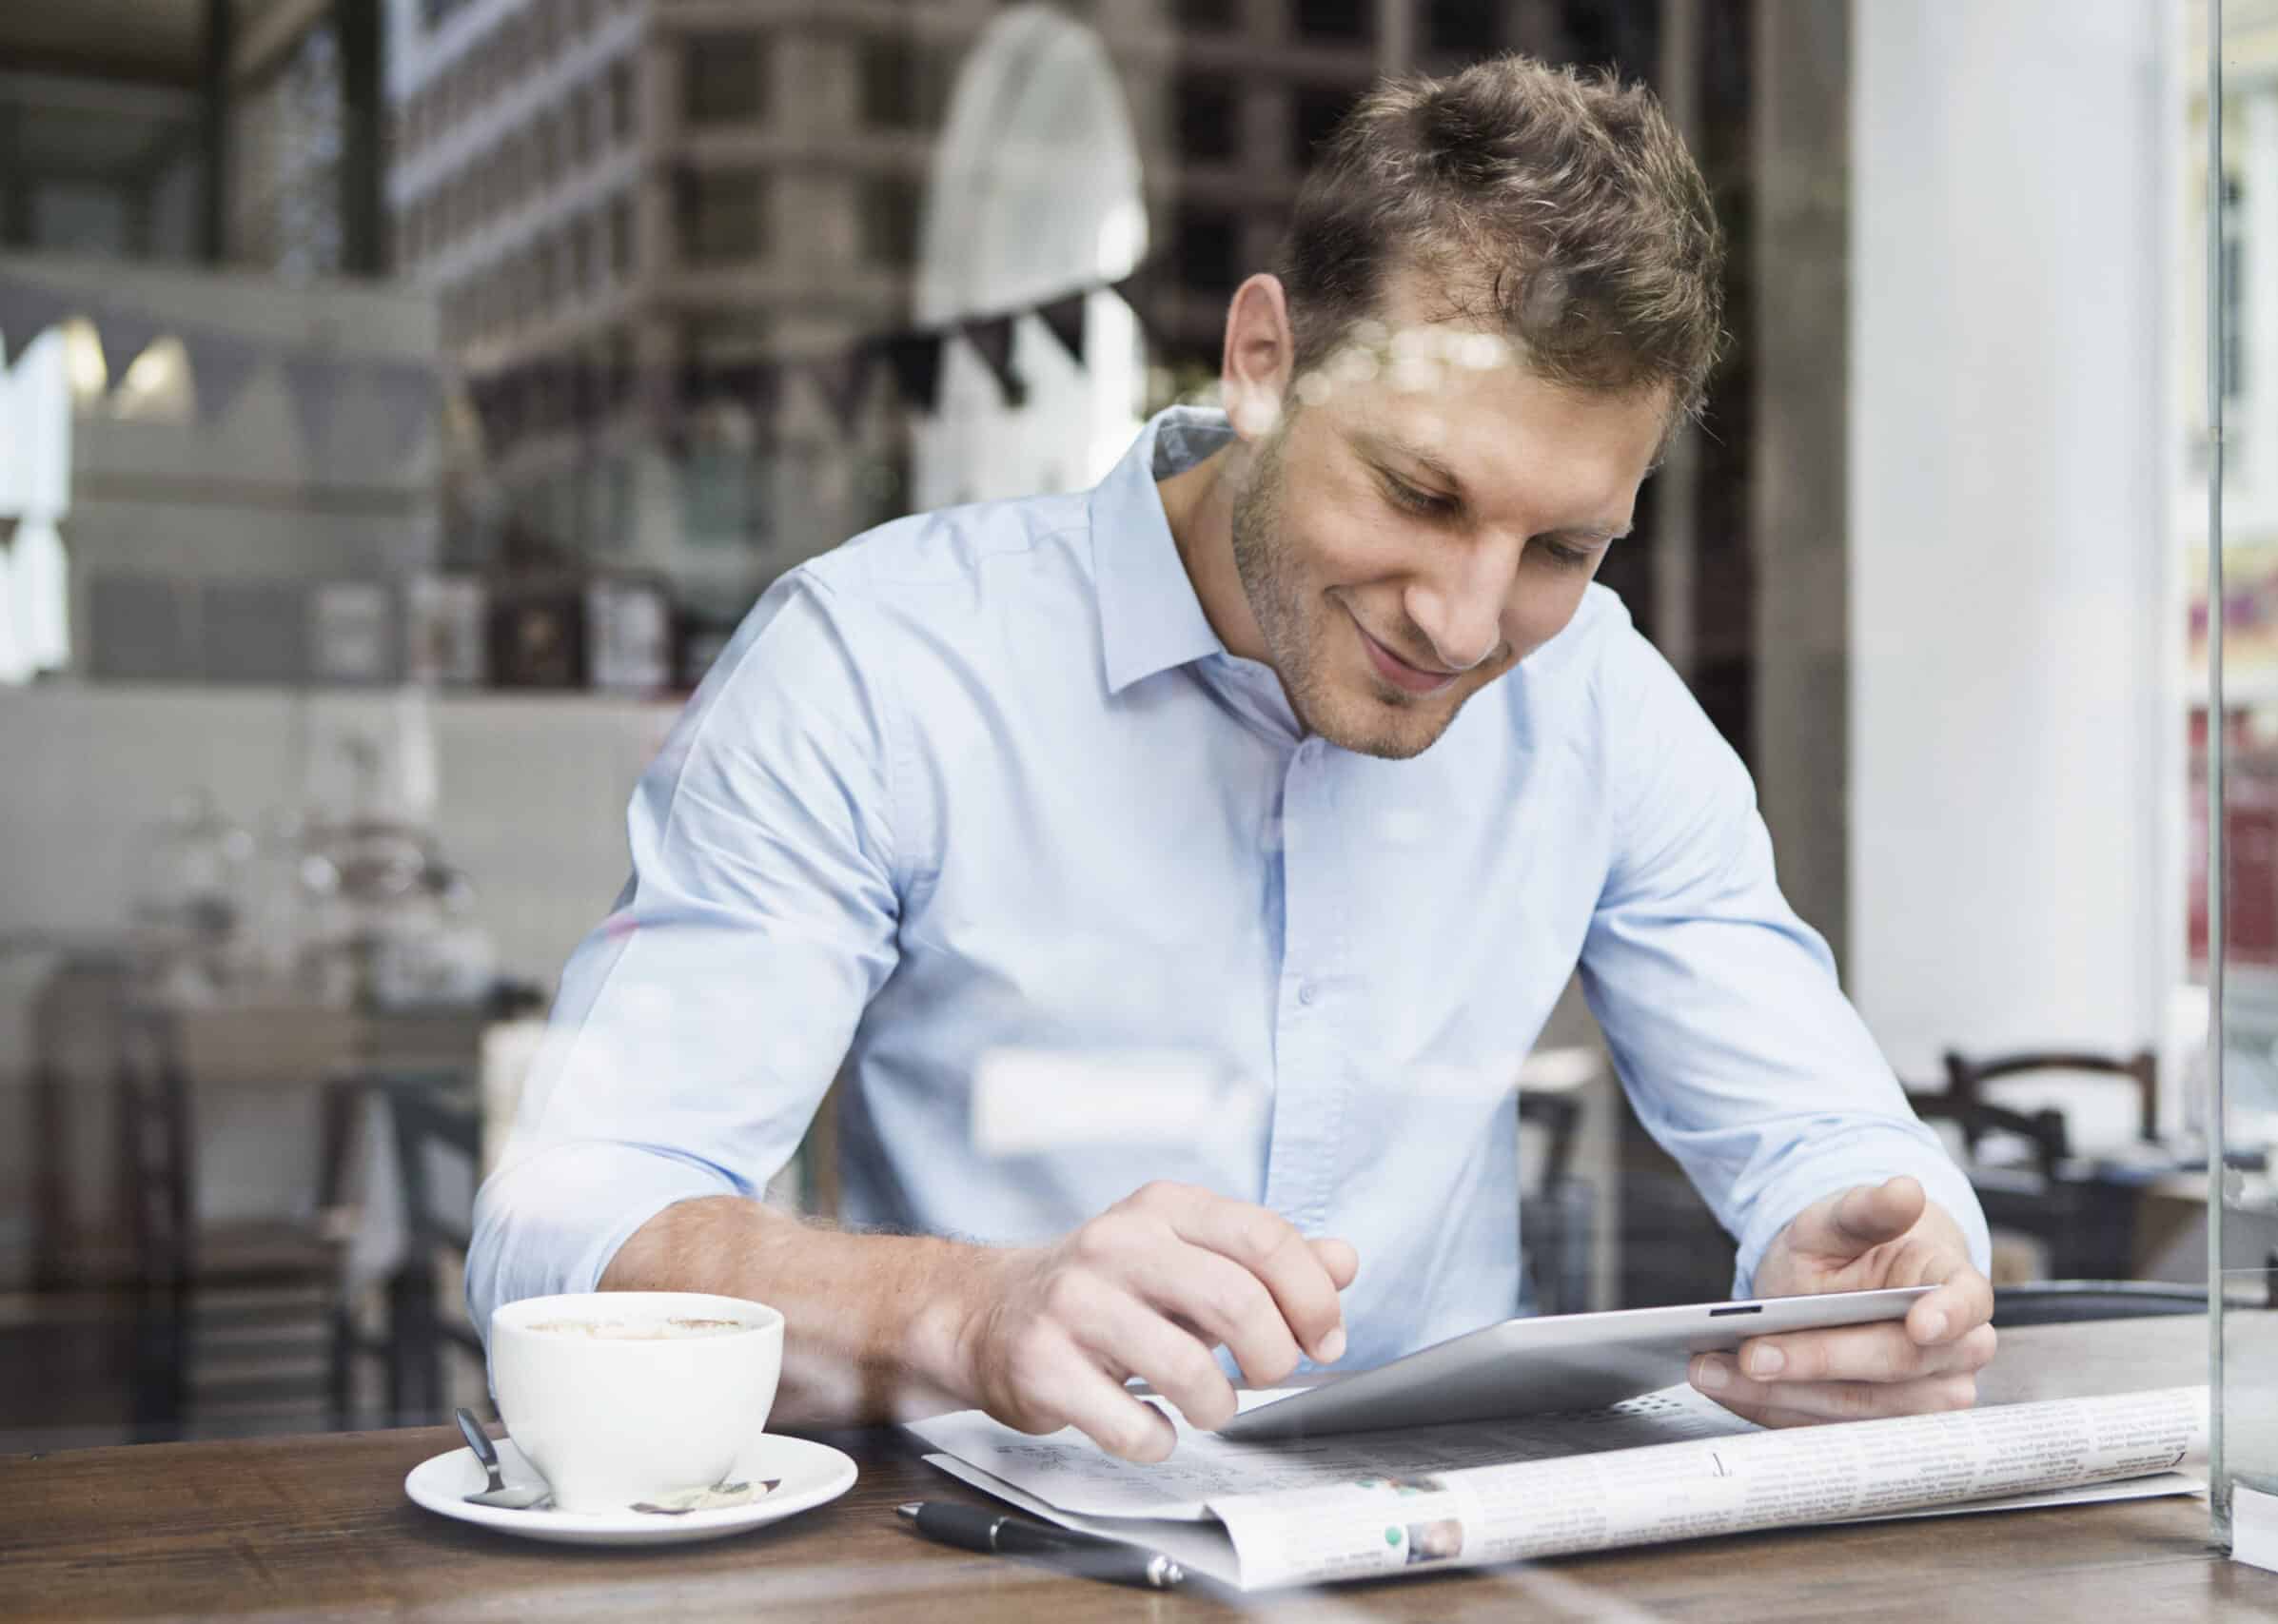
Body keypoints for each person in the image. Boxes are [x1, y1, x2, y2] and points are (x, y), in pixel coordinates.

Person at [469, 55, 1994, 1461]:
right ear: (1262, 360)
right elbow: (568, 1223)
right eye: (1420, 492)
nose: (1467, 622)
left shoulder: (1604, 703)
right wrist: (968, 1312)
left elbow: (1829, 1135)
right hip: (985, 1561)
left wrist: (1868, 1266)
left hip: (1466, 1563)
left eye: (1564, 547)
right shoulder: (881, 664)